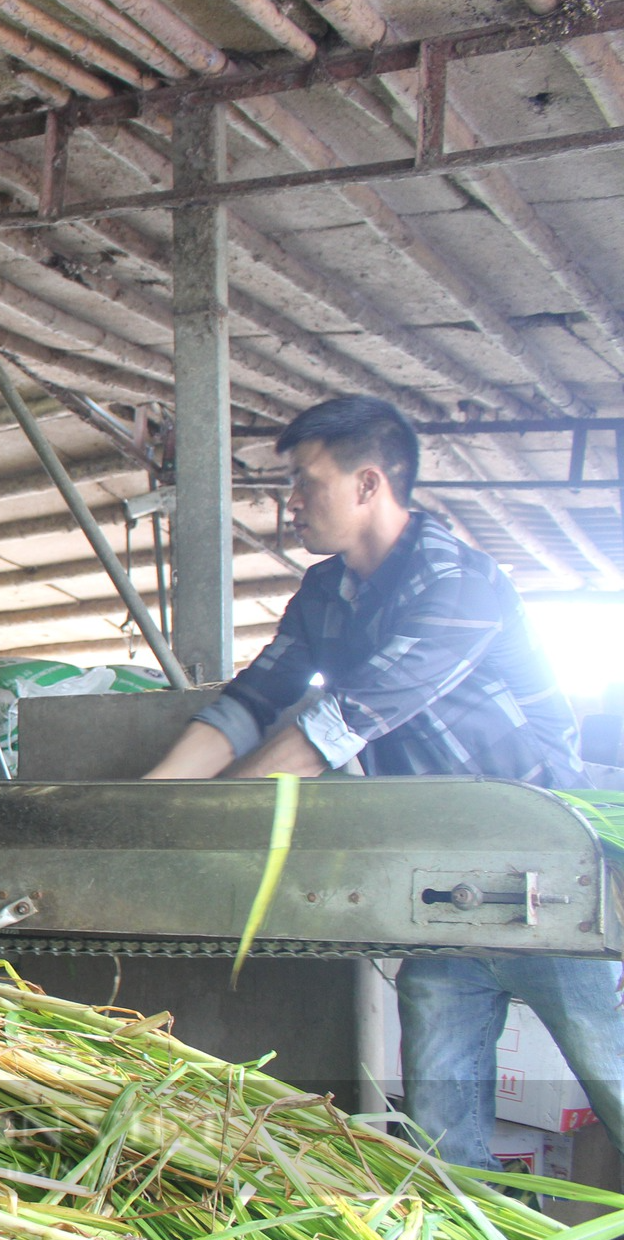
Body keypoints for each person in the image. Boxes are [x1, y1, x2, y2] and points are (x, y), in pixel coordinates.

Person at [143, 395, 623, 1170]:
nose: (290, 503)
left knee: (617, 1081)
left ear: (369, 484)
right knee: (440, 1135)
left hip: (551, 886)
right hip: (445, 891)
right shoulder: (326, 594)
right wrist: (147, 800)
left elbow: (337, 724)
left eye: (306, 482)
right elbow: (253, 700)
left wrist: (209, 813)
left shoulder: (457, 582)